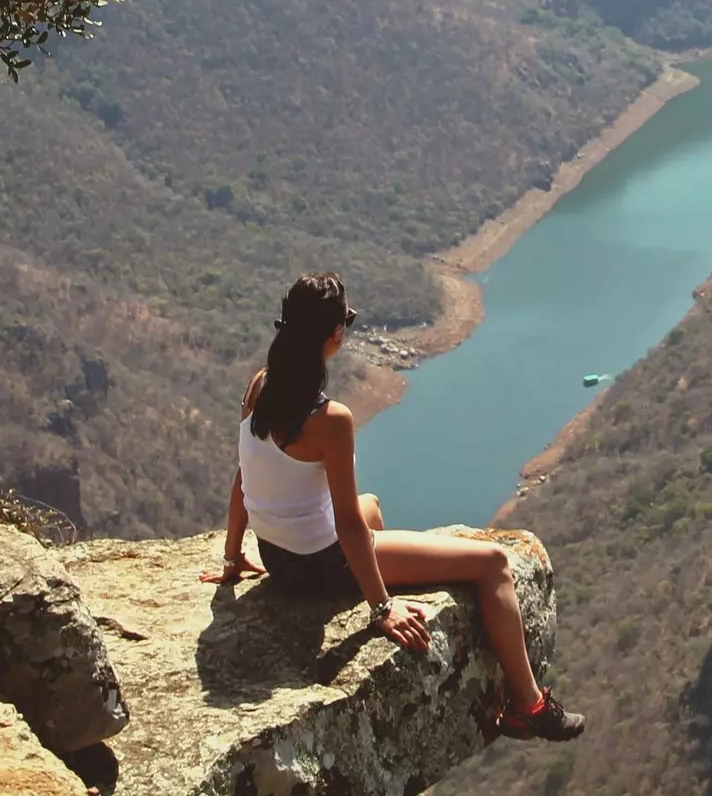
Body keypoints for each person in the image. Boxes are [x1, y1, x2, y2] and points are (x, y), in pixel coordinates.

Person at [200, 271, 584, 742]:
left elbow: (246, 474)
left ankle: (379, 571)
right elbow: (346, 525)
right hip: (321, 564)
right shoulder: (330, 420)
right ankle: (530, 706)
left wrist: (233, 556)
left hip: (278, 558)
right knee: (493, 563)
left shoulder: (259, 387)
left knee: (373, 506)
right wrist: (383, 608)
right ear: (335, 334)